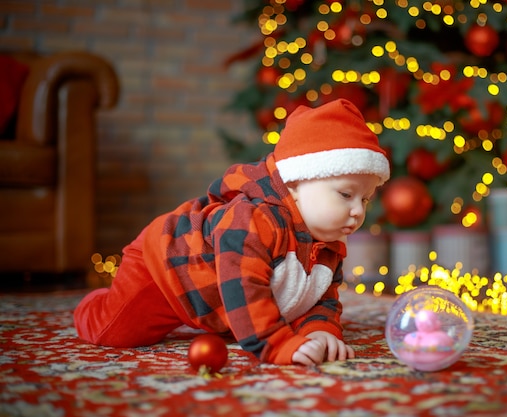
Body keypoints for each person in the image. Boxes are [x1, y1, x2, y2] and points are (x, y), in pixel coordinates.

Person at [74, 98, 390, 366]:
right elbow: (244, 289)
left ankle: (229, 321)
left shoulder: (329, 241)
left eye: (365, 199)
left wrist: (320, 330)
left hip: (215, 300)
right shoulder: (254, 219)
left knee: (260, 312)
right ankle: (95, 303)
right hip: (166, 271)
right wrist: (278, 345)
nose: (358, 211)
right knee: (113, 333)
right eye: (345, 195)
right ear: (295, 182)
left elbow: (321, 297)